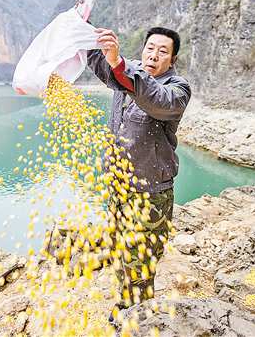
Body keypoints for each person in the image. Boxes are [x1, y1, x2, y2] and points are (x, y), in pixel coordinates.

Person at [87, 26, 191, 319]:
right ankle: (126, 306)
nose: (154, 55)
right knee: (121, 252)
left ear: (172, 60)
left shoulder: (176, 90)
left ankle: (138, 319)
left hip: (150, 195)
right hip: (119, 189)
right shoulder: (125, 75)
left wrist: (120, 64)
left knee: (140, 263)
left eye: (162, 51)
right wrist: (83, 38)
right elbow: (105, 68)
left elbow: (153, 98)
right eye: (150, 48)